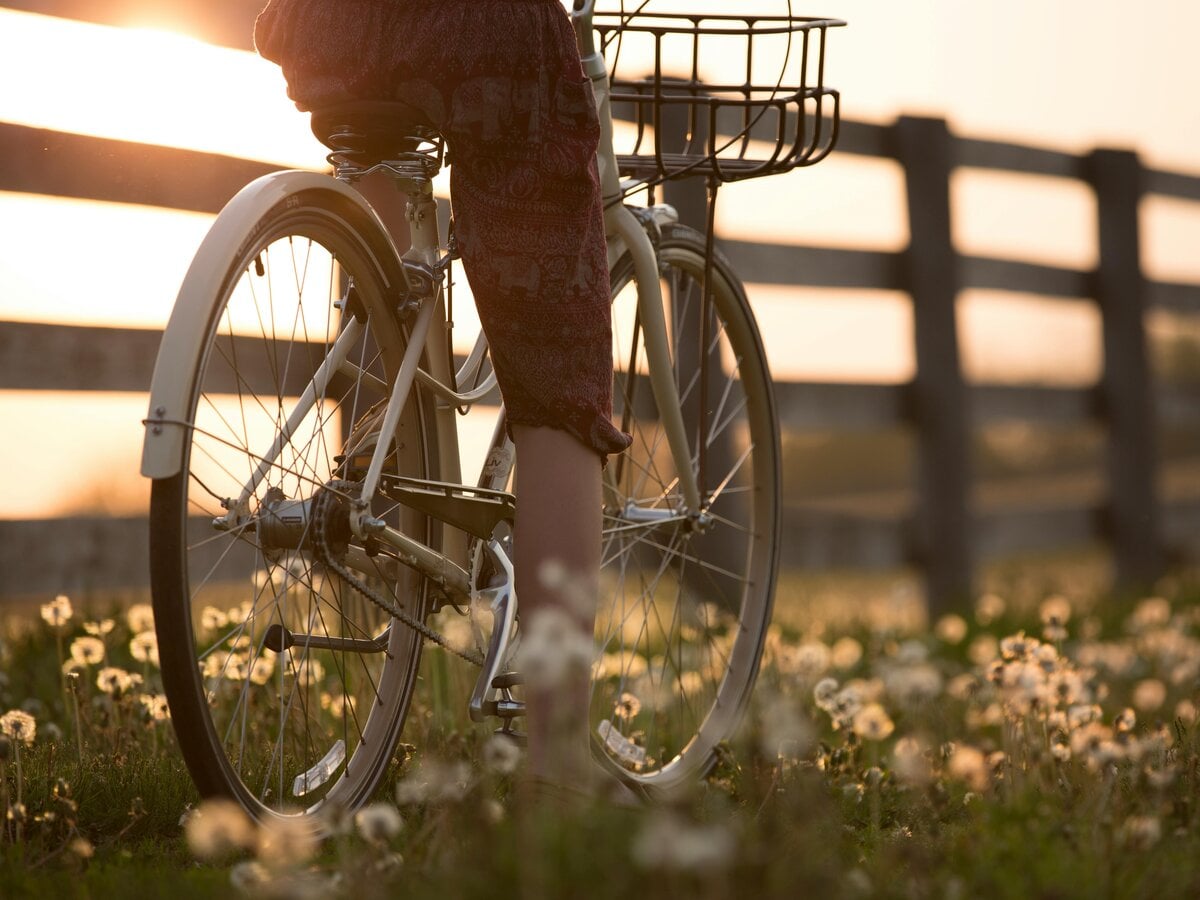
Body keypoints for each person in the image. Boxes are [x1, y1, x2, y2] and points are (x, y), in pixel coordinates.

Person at [252, 0, 632, 798]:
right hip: (482, 32)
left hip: (328, 25)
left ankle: (379, 482)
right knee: (559, 385)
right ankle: (557, 766)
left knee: (384, 264)